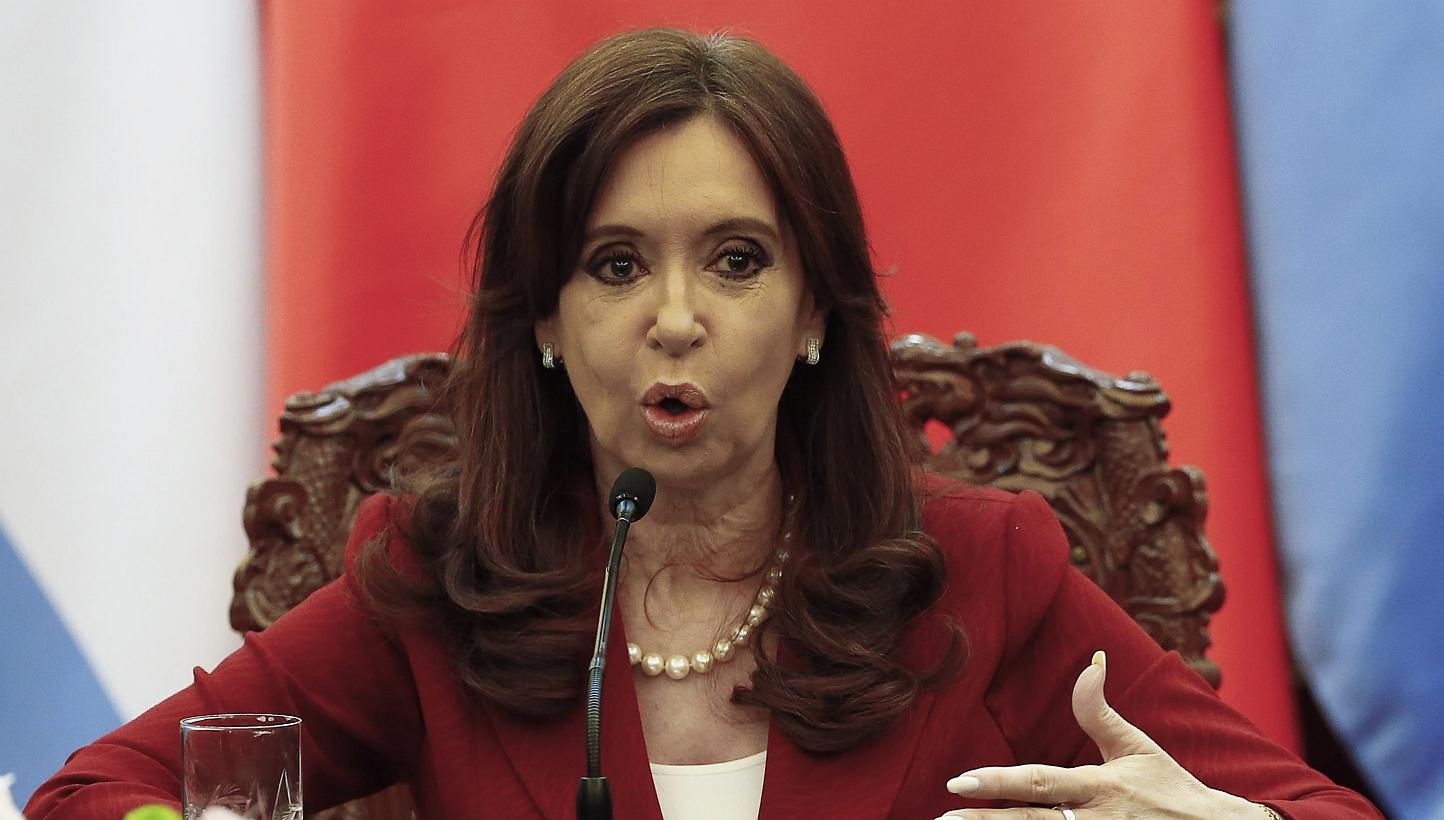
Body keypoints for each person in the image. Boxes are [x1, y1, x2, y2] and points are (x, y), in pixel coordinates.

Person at [28, 28, 1379, 820]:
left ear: (812, 312)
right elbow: (90, 796)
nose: (677, 319)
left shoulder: (983, 574)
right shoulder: (436, 584)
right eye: (616, 265)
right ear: (545, 322)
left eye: (737, 260)